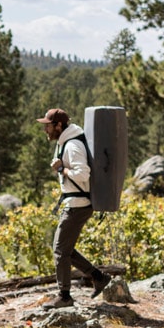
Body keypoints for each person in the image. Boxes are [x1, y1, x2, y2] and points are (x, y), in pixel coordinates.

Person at [37, 108, 112, 309]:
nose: (45, 128)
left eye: (48, 125)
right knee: (65, 250)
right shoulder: (67, 142)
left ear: (59, 125)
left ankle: (65, 296)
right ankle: (98, 277)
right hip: (76, 204)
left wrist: (62, 168)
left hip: (77, 205)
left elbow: (83, 174)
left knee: (60, 251)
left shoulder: (72, 145)